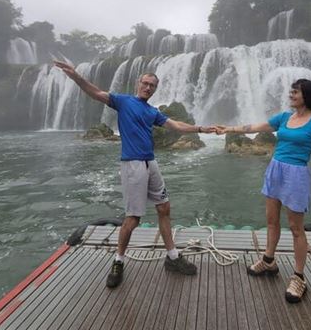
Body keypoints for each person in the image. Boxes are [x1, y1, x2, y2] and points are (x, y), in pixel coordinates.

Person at [54, 60, 216, 288]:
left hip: (151, 162)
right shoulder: (123, 101)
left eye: (152, 86)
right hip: (132, 165)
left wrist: (201, 129)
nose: (148, 88)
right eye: (146, 83)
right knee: (133, 218)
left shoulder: (152, 111)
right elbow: (95, 92)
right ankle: (118, 261)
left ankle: (172, 257)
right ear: (138, 83)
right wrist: (76, 76)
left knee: (164, 207)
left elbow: (176, 125)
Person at [217, 78, 311, 304]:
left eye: (296, 91)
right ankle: (268, 260)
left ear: (307, 96)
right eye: (291, 91)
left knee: (295, 228)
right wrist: (229, 129)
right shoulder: (284, 117)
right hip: (275, 169)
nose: (291, 94)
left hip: (297, 175)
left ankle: (299, 276)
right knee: (272, 220)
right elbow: (256, 127)